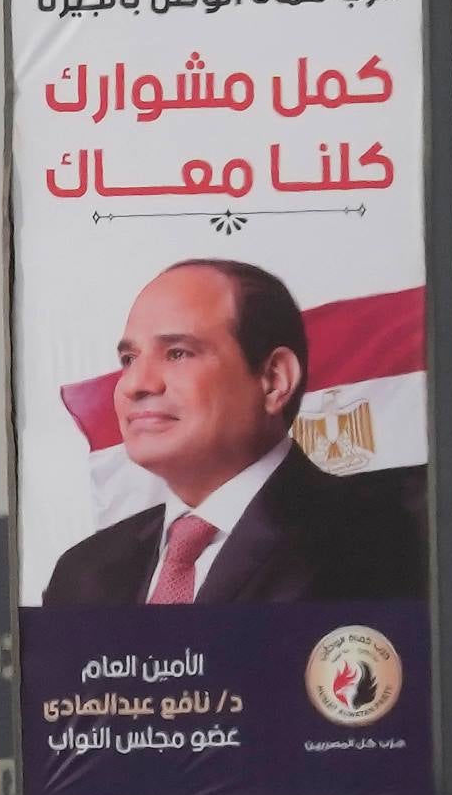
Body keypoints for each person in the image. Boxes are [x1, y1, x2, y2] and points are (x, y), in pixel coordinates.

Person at [40, 258, 421, 608]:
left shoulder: (382, 542)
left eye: (178, 353)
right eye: (129, 359)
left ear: (273, 380)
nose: (134, 384)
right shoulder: (82, 575)